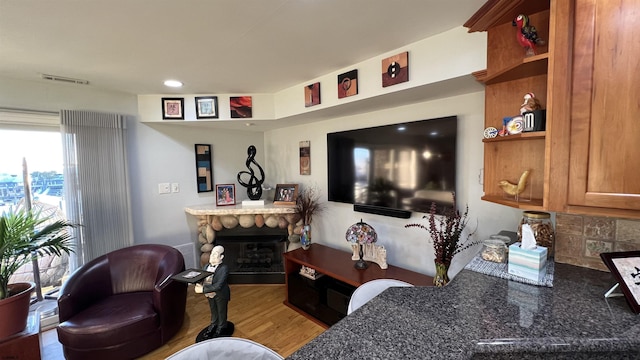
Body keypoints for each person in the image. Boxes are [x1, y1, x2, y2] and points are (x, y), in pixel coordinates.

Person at [195, 245, 231, 337]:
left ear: (221, 257)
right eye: (212, 254)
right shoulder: (206, 266)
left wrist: (202, 289)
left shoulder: (224, 268)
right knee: (213, 310)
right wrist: (198, 282)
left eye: (215, 255)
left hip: (220, 294)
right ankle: (213, 324)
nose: (212, 257)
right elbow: (202, 276)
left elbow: (218, 286)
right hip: (209, 293)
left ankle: (221, 327)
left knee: (221, 310)